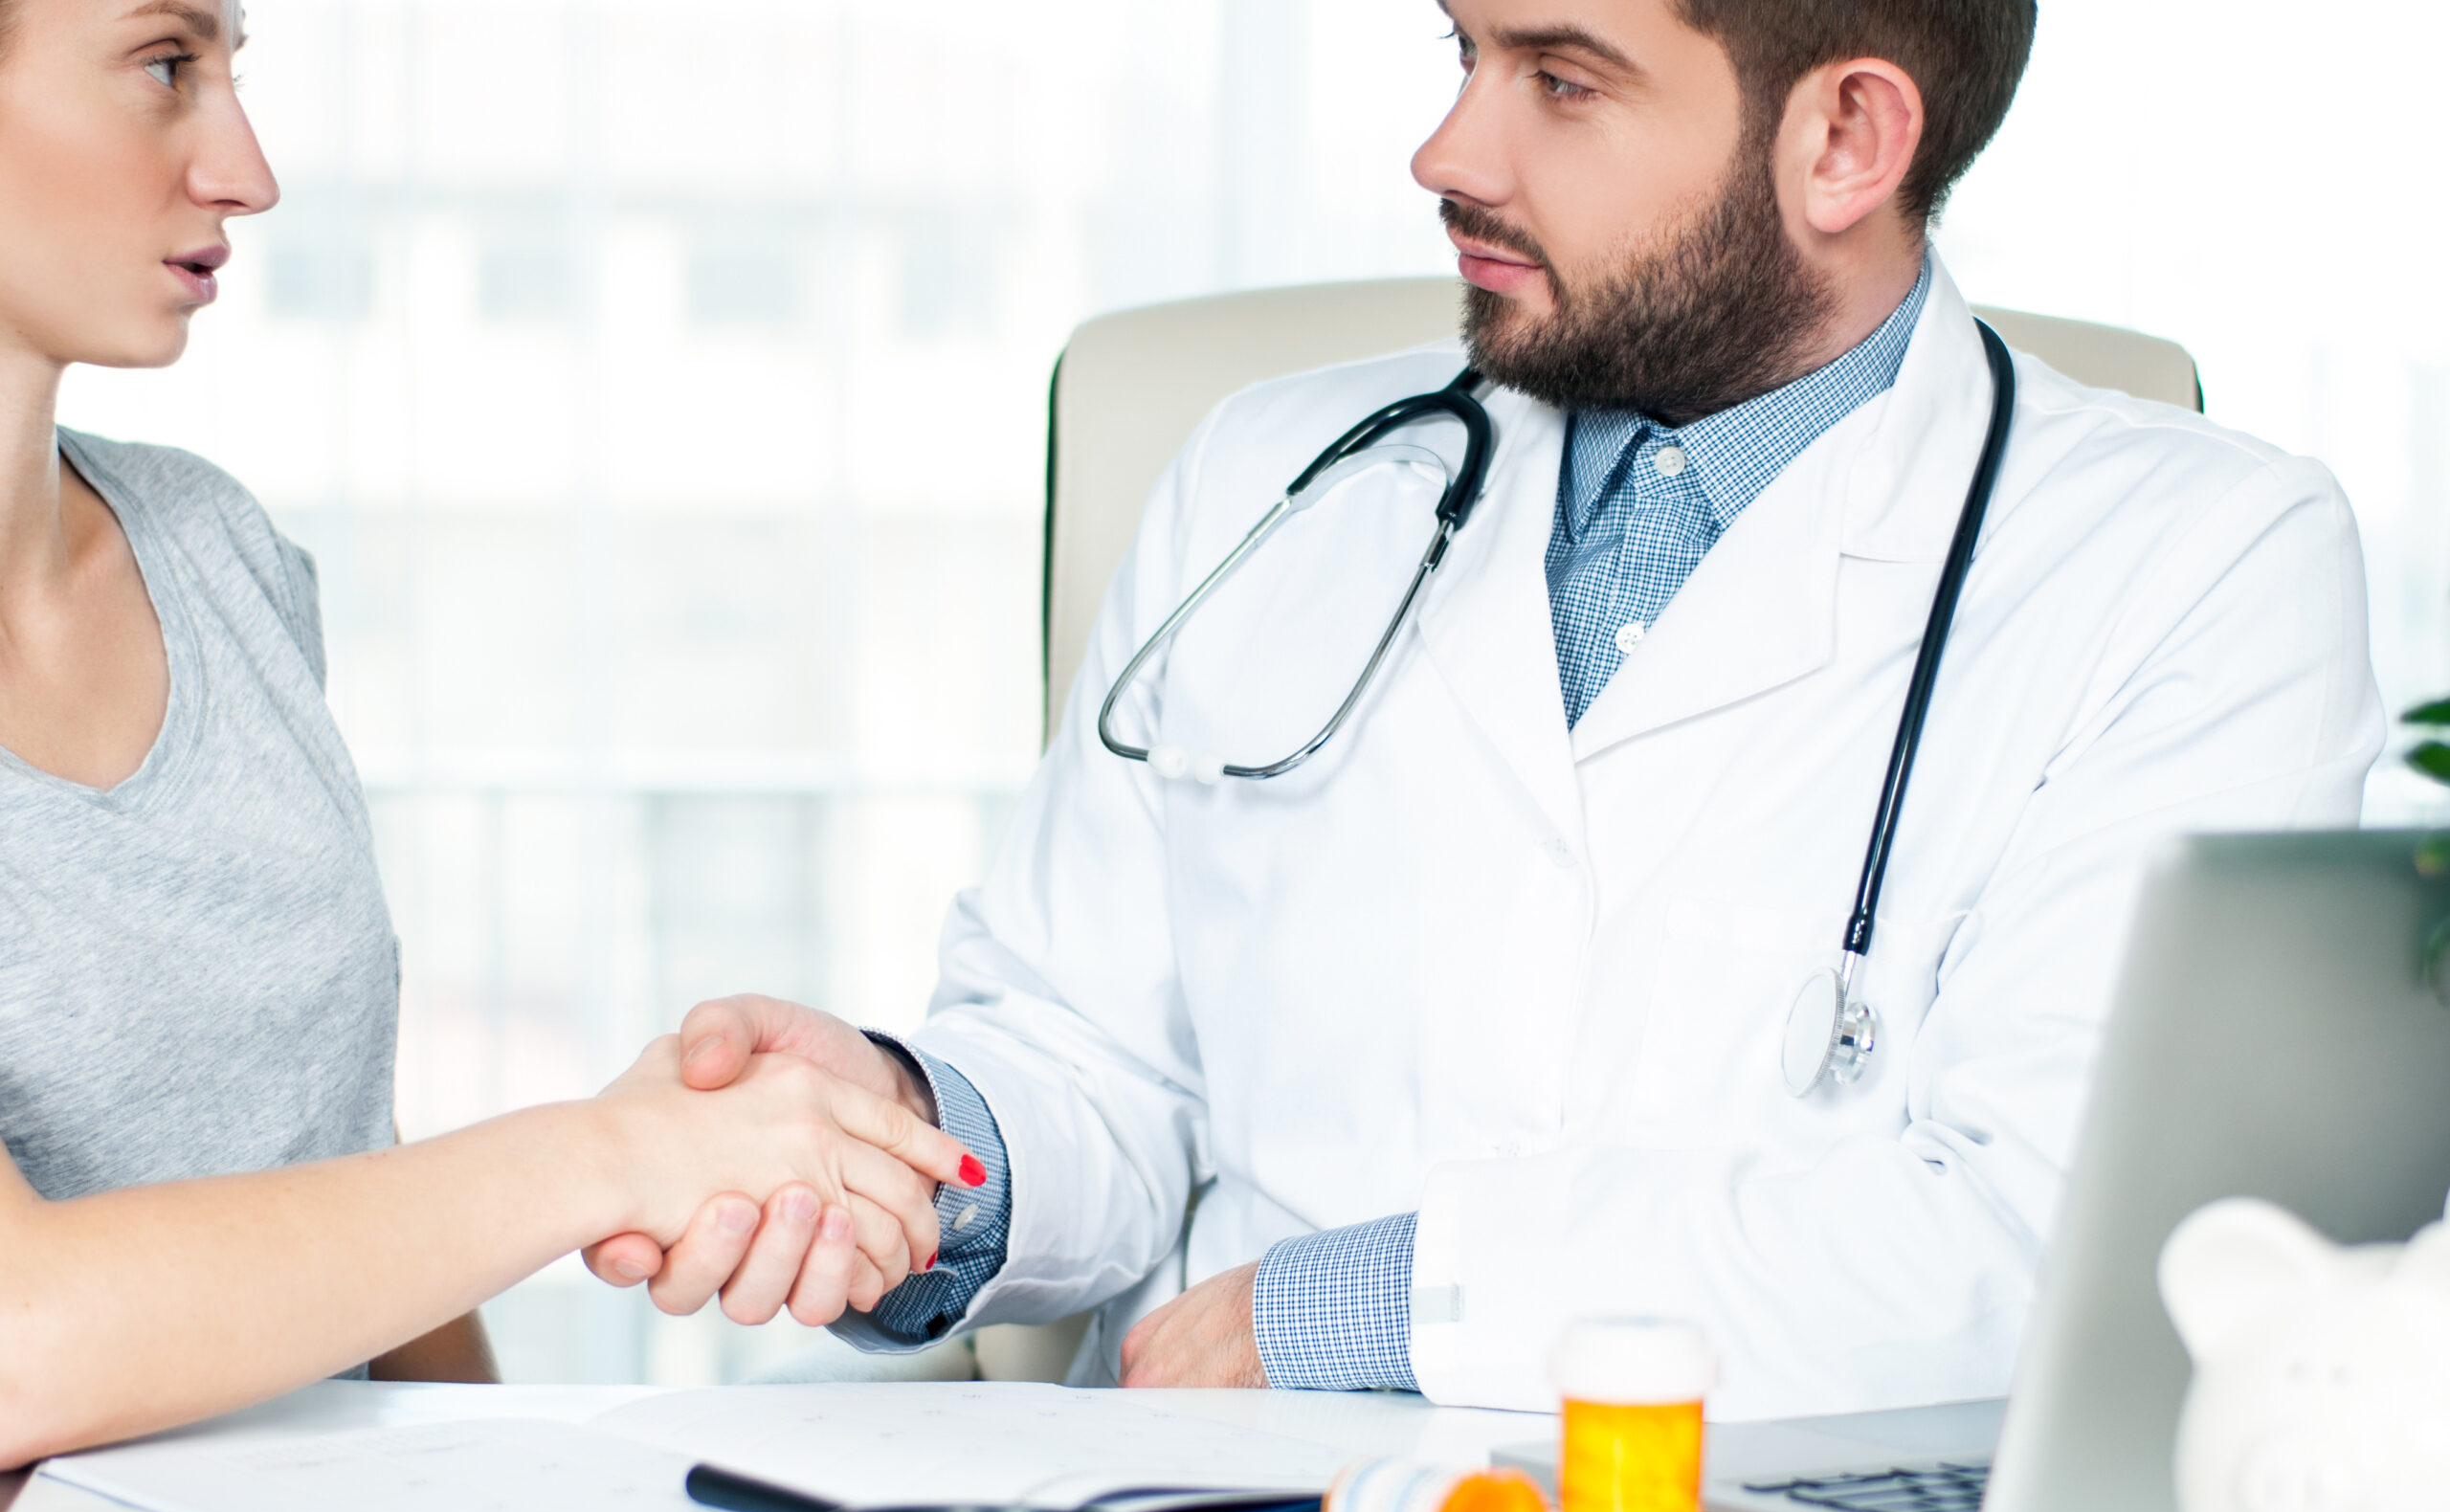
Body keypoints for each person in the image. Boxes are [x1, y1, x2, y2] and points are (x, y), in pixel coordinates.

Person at [598, 0, 2382, 1417]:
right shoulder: (1268, 481)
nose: (1448, 148)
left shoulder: (2200, 563)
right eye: (1464, 52)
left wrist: (1368, 1304)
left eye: (1564, 80)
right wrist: (917, 1155)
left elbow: (2064, 1238)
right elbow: (1096, 1063)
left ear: (1847, 136)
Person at [0, 0, 969, 1470]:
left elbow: (345, 1186)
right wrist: (613, 1155)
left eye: (233, 74)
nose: (245, 170)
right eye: (164, 66)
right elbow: (21, 1341)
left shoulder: (217, 555)